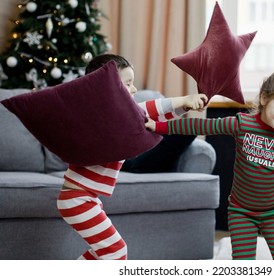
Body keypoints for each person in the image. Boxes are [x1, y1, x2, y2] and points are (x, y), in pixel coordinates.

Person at [146, 71, 274, 260]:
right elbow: (200, 126)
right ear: (264, 98)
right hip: (242, 213)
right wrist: (159, 126)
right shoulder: (242, 124)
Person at [56, 54, 207, 260]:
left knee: (105, 252)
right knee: (116, 251)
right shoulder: (103, 118)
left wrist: (185, 106)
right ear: (107, 88)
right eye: (128, 84)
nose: (134, 89)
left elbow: (148, 115)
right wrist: (183, 101)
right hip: (77, 200)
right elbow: (145, 111)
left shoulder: (116, 118)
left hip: (85, 199)